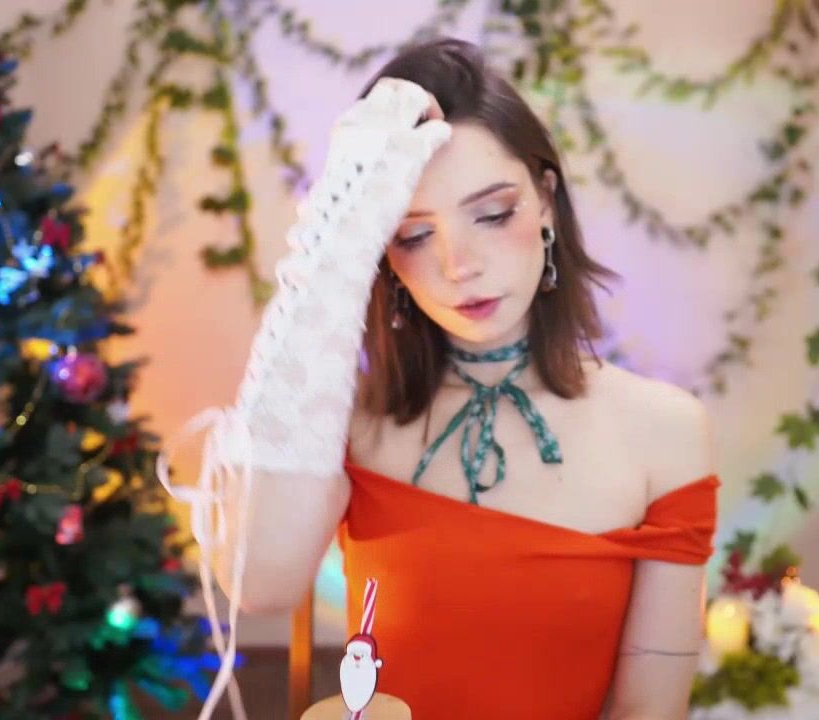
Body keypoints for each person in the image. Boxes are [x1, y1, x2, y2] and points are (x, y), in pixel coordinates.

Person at [160, 37, 719, 720]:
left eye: (493, 213)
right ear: (381, 253)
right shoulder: (351, 424)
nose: (460, 265)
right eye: (413, 235)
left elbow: (649, 711)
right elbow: (260, 582)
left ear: (545, 201)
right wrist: (332, 244)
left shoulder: (664, 431)